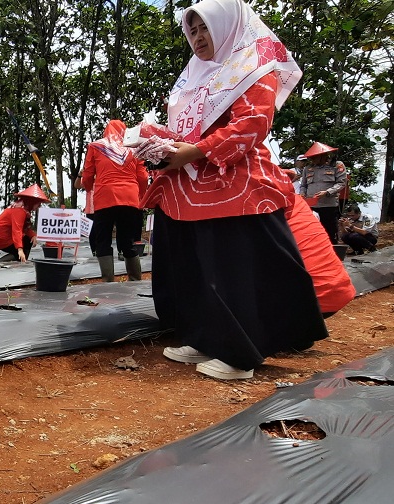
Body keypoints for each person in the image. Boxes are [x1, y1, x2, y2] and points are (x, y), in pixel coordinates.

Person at [139, 0, 328, 380]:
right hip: (188, 189)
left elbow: (252, 125)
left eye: (204, 28)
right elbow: (186, 132)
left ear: (226, 25)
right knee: (195, 268)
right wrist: (156, 141)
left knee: (232, 270)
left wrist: (193, 151)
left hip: (236, 187)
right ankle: (205, 336)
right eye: (191, 31)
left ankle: (241, 353)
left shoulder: (253, 68)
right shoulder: (195, 76)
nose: (198, 37)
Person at [81, 119, 148, 281]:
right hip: (130, 198)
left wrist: (89, 187)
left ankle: (108, 281)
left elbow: (87, 175)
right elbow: (143, 177)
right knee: (127, 241)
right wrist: (141, 196)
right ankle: (135, 280)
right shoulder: (134, 148)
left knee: (103, 240)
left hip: (105, 198)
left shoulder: (95, 146)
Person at [299, 142, 346, 244]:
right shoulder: (307, 169)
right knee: (312, 231)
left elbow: (341, 183)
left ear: (322, 156)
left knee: (330, 231)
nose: (312, 160)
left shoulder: (337, 166)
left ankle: (333, 252)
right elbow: (303, 185)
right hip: (312, 205)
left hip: (328, 205)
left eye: (315, 157)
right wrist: (302, 194)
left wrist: (327, 192)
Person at [0, 184, 48, 262]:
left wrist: (33, 235)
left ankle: (21, 259)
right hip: (0, 236)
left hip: (3, 235)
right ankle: (11, 261)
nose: (39, 206)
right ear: (32, 201)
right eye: (38, 204)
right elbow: (17, 230)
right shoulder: (19, 210)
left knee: (27, 240)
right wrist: (20, 249)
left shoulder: (24, 209)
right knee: (20, 250)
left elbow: (25, 228)